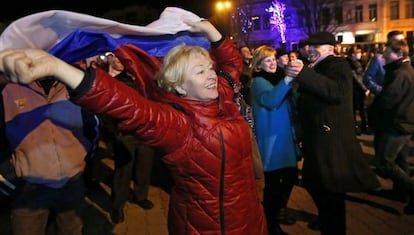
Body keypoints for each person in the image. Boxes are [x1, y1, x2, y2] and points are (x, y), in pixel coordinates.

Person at [0, 19, 267, 235]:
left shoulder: (222, 93)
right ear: (180, 86)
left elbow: (231, 65)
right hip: (211, 226)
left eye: (209, 68)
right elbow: (126, 105)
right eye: (199, 72)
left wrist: (210, 30)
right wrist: (58, 68)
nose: (210, 75)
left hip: (253, 217)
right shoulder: (177, 125)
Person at [285, 32, 382, 235]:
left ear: (331, 48)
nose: (310, 50)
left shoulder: (337, 65)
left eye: (316, 47)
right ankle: (328, 222)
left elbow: (335, 91)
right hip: (318, 140)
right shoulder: (316, 67)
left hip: (331, 143)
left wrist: (304, 73)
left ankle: (332, 227)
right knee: (317, 186)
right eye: (309, 47)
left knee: (331, 193)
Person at [0, 75, 100, 235]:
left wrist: (81, 162)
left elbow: (92, 127)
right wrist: (10, 173)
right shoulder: (8, 89)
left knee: (72, 230)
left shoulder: (75, 85)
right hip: (28, 187)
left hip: (72, 182)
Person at [250, 45, 301, 235]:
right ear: (259, 64)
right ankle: (270, 223)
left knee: (290, 175)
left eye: (273, 59)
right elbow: (271, 100)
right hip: (271, 139)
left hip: (285, 137)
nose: (272, 63)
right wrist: (288, 80)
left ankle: (276, 212)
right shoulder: (259, 81)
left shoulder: (277, 78)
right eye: (267, 60)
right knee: (273, 182)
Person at [102, 53, 155, 224]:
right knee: (123, 171)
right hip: (125, 134)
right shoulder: (117, 82)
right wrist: (115, 132)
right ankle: (117, 206)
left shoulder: (148, 82)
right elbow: (108, 111)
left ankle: (140, 196)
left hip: (146, 133)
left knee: (144, 168)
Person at [368, 38, 414, 215]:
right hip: (404, 122)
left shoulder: (400, 73)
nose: (384, 56)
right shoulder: (406, 70)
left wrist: (372, 112)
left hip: (397, 124)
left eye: (387, 53)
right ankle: (400, 192)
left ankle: (410, 190)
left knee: (384, 162)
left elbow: (387, 101)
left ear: (399, 54)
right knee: (400, 161)